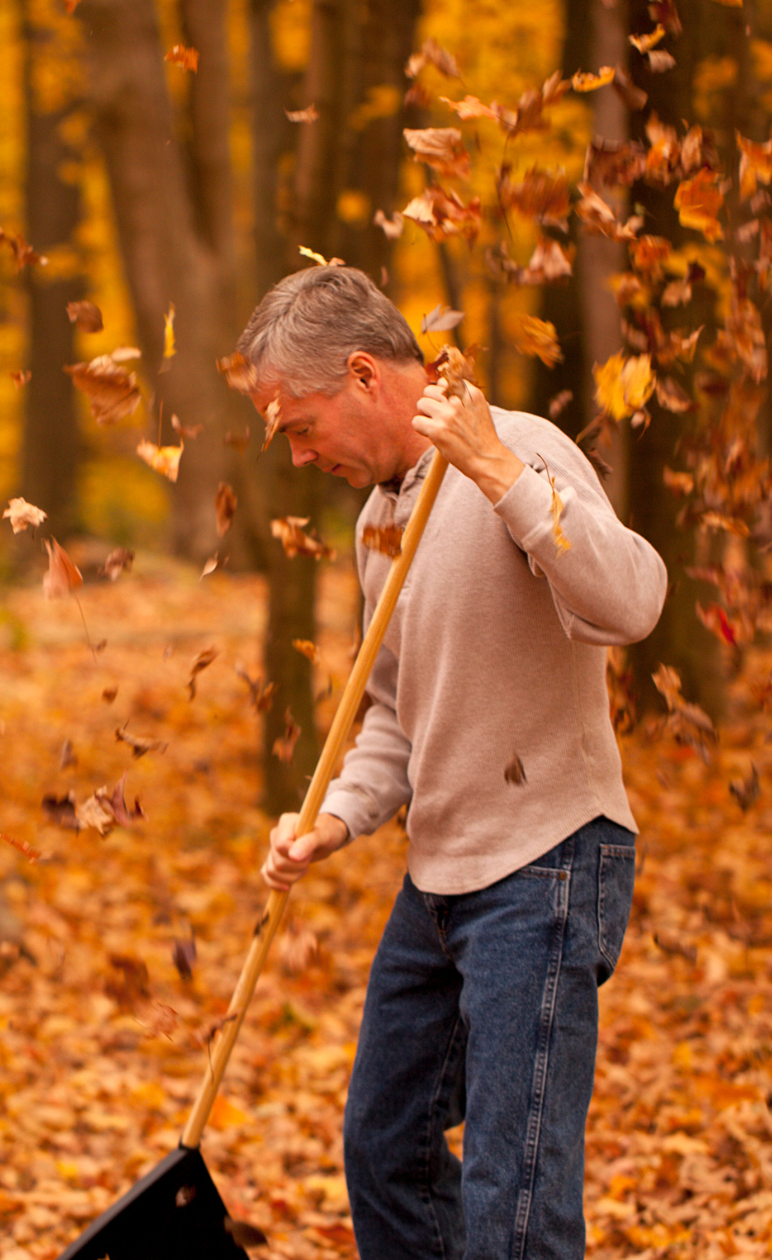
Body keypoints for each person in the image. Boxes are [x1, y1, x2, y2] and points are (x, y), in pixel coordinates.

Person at [238, 265, 667, 1260]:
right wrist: (333, 817)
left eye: (298, 426)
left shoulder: (512, 450)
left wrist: (501, 480)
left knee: (513, 1197)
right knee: (384, 1150)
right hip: (439, 875)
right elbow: (393, 712)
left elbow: (631, 604)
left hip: (546, 863)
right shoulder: (377, 521)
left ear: (360, 375)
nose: (299, 455)